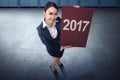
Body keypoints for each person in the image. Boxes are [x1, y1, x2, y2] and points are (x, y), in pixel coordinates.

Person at [37, 2, 79, 74]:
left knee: (59, 57)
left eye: (55, 14)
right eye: (50, 13)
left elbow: (70, 23)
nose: (53, 17)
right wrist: (62, 45)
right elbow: (46, 43)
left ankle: (58, 61)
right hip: (52, 49)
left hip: (62, 47)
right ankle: (53, 67)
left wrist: (76, 12)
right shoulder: (40, 29)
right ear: (44, 13)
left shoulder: (59, 20)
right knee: (55, 59)